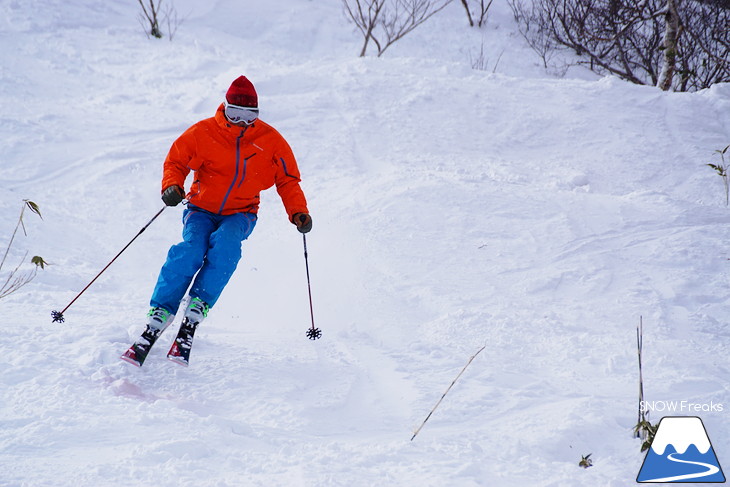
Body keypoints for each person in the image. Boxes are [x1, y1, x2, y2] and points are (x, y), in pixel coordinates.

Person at [142, 75, 312, 345]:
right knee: (191, 250)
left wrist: (298, 211)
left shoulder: (270, 140)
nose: (242, 122)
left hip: (241, 212)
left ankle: (199, 303)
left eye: (249, 115)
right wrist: (172, 186)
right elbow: (176, 161)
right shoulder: (203, 132)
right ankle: (162, 308)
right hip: (200, 208)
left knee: (226, 247)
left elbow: (287, 180)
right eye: (235, 114)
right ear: (225, 108)